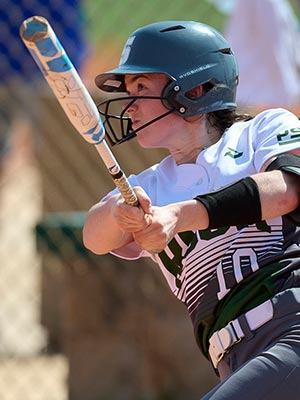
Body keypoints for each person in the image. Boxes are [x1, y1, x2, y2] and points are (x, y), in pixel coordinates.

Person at [83, 21, 300, 399]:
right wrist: (122, 210)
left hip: (291, 324)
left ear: (195, 90)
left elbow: (286, 190)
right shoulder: (148, 185)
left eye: (142, 88)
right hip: (233, 357)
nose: (130, 105)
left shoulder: (261, 131)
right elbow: (94, 237)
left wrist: (180, 215)